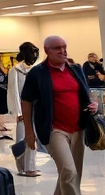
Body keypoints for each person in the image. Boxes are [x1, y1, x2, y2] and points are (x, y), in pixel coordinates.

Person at [20, 36, 98, 195]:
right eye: (57, 48)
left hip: (78, 128)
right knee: (69, 171)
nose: (63, 51)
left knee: (72, 174)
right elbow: (26, 101)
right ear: (47, 50)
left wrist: (94, 103)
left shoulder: (75, 69)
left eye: (64, 47)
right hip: (54, 130)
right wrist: (29, 132)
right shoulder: (38, 73)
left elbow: (86, 92)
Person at [7, 42, 41, 177]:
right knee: (23, 138)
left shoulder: (35, 69)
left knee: (33, 138)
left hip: (35, 109)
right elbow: (13, 91)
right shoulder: (15, 70)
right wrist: (18, 112)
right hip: (22, 110)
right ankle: (23, 167)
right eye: (32, 52)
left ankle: (30, 166)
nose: (34, 55)